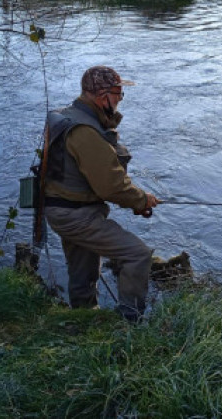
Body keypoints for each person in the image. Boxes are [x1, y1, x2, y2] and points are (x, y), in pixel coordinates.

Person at [41, 65, 161, 322]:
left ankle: (83, 319)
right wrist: (141, 200)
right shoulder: (86, 132)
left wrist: (135, 201)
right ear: (102, 96)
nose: (120, 99)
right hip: (75, 215)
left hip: (64, 207)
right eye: (118, 93)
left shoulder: (67, 116)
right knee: (137, 255)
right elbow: (111, 186)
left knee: (83, 272)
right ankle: (129, 324)